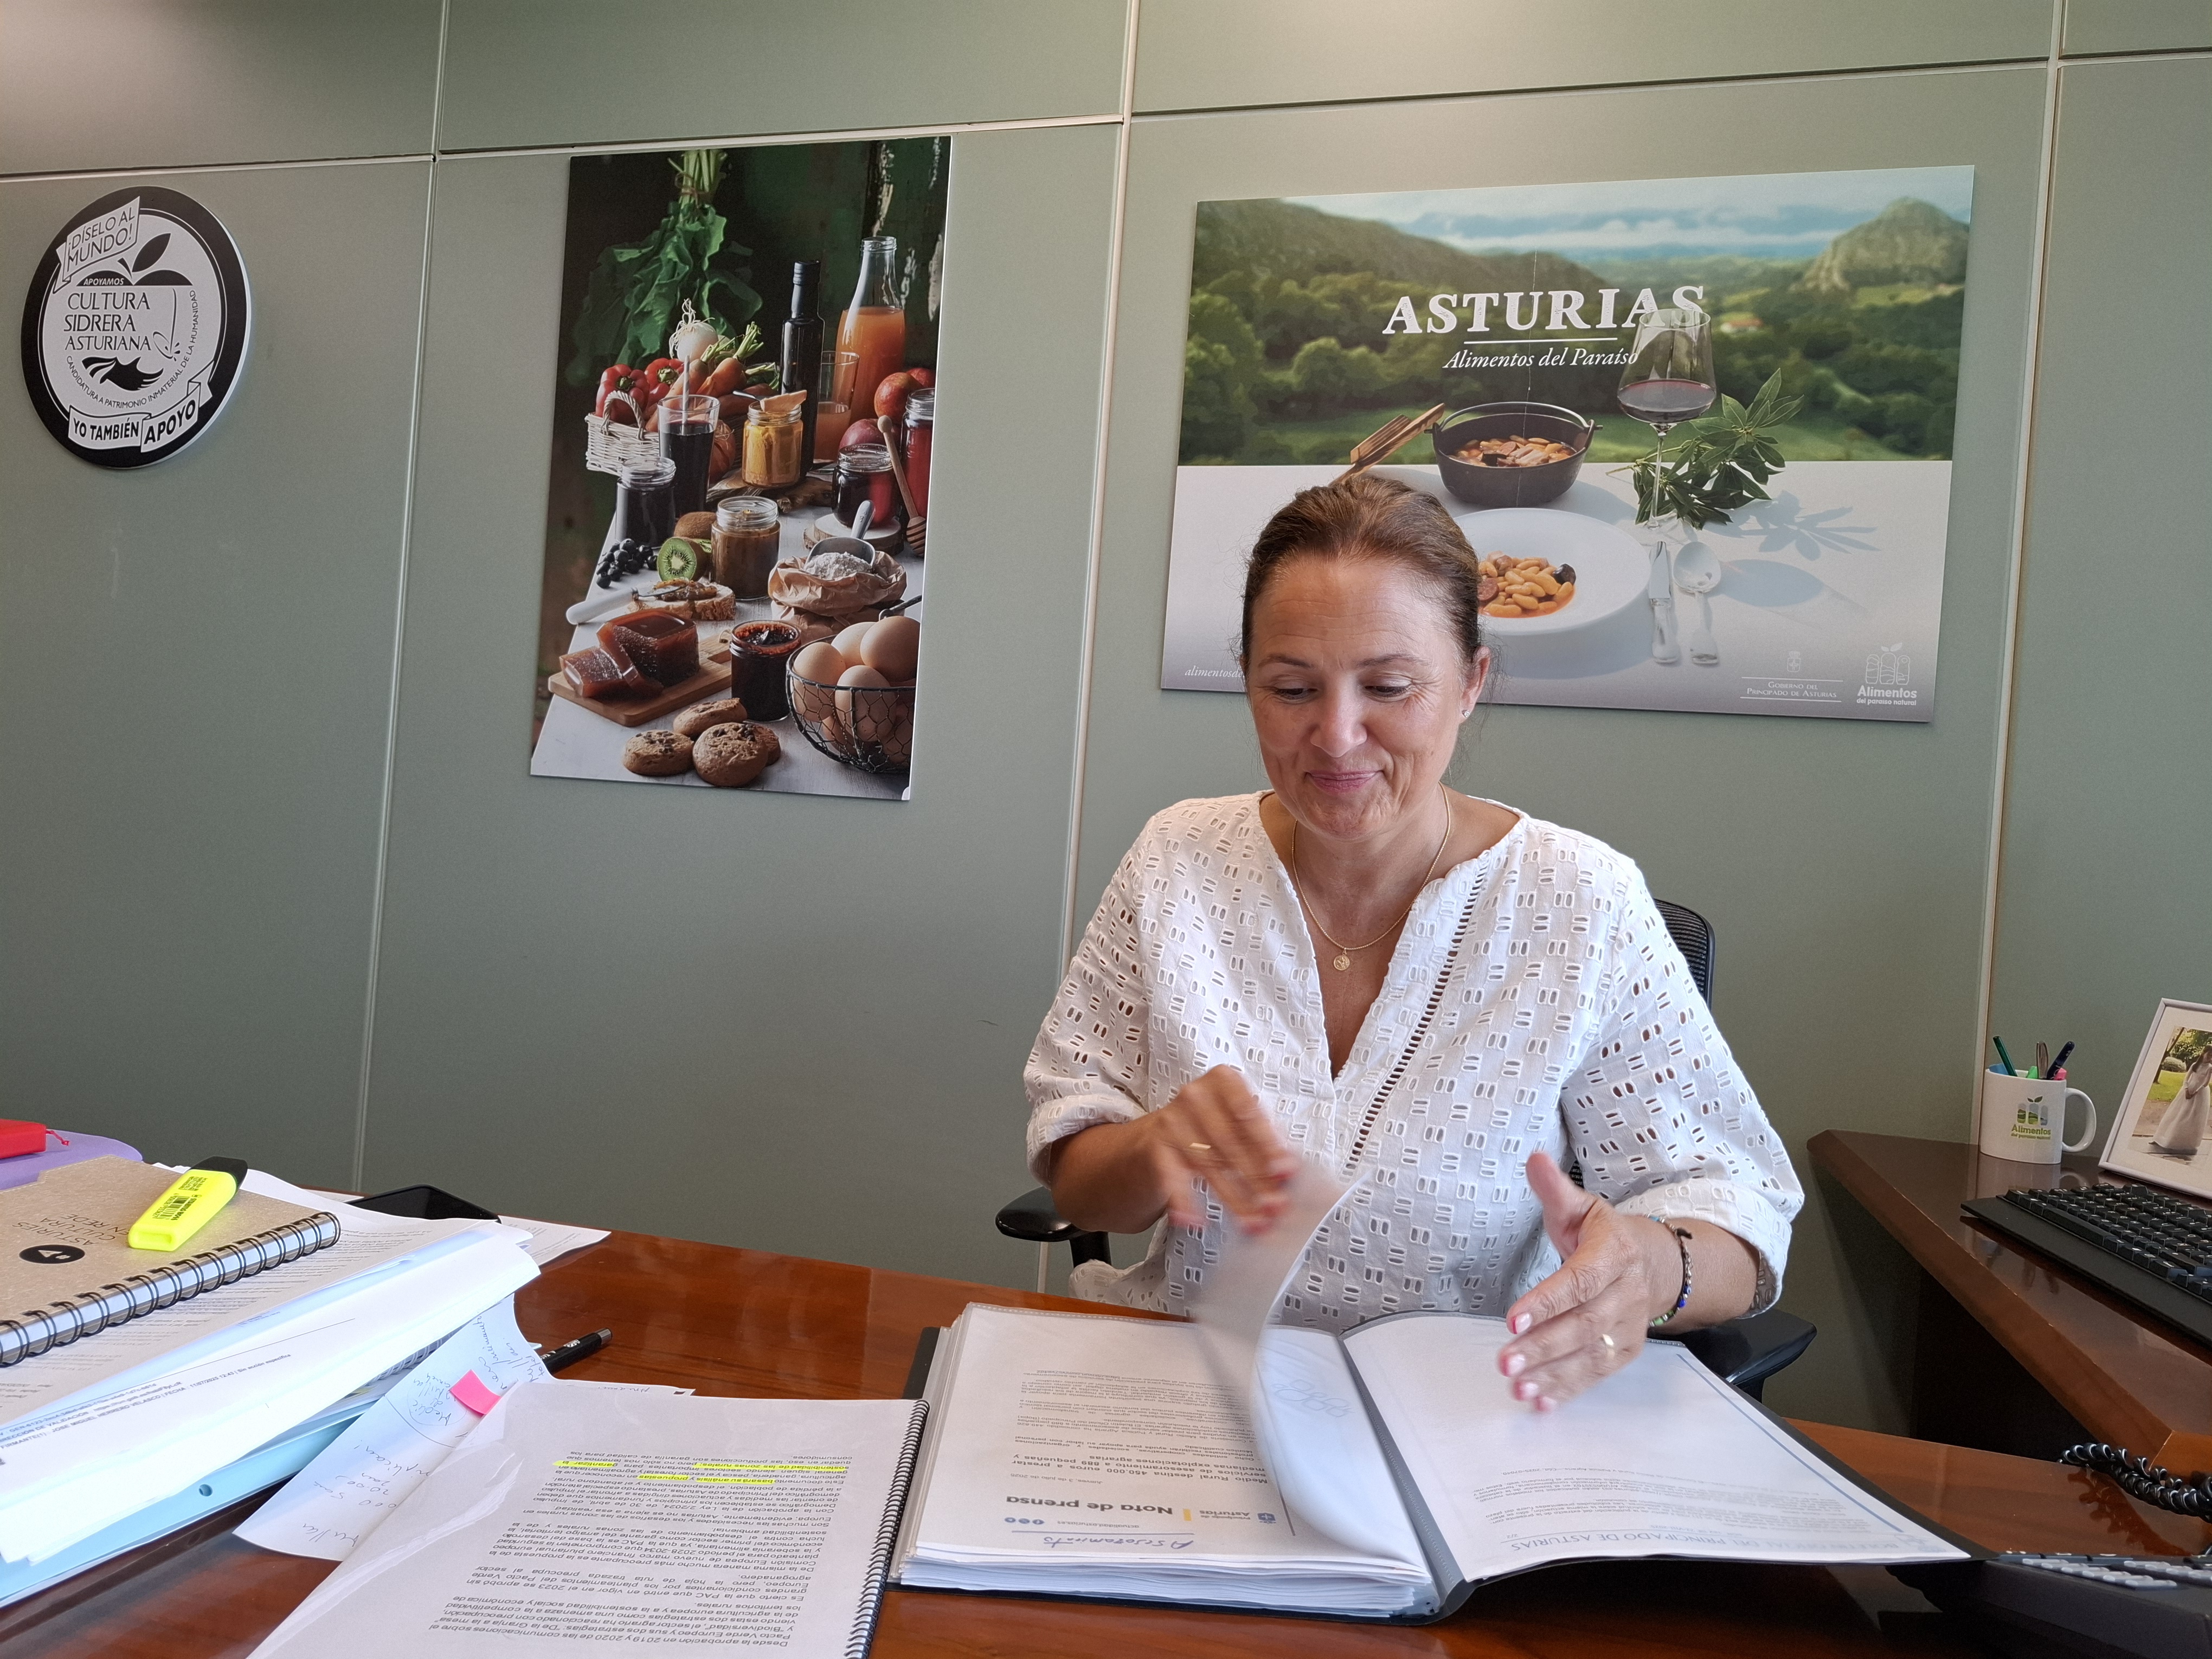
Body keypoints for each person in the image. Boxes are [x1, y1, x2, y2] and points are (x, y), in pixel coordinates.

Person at [1025, 474, 1802, 1409]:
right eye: (1291, 688)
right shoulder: (1177, 859)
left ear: (1471, 681)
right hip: (1192, 1393)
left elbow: (1739, 1211)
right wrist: (1154, 1147)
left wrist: (1648, 1267)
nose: (1336, 735)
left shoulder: (1580, 901)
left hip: (1465, 1417)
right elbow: (1077, 1180)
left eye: (1389, 687)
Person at [2151, 1050, 2212, 1157]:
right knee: (2177, 1113)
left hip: (2200, 1093)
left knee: (2191, 1117)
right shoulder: (2195, 1065)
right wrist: (2187, 1089)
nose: (2210, 1057)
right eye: (2209, 1054)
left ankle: (2184, 1143)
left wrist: (2195, 1093)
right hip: (2189, 1089)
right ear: (2203, 1053)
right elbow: (2187, 1078)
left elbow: (2205, 1083)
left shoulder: (2210, 1068)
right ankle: (2162, 1137)